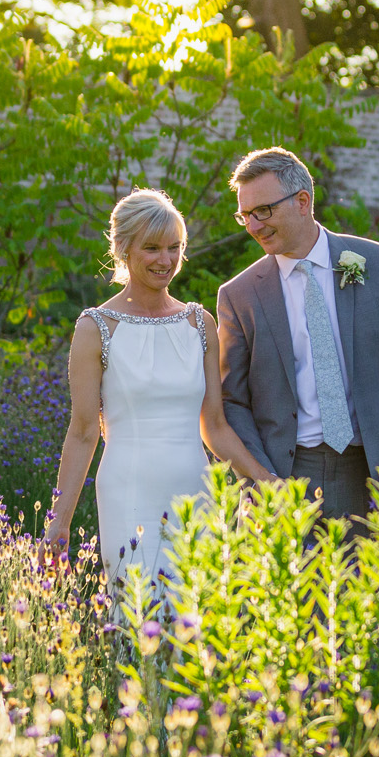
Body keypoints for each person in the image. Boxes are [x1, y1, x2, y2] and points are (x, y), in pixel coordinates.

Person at [44, 189, 277, 595]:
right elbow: (83, 431)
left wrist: (262, 479)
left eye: (174, 248)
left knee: (192, 624)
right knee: (137, 617)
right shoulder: (94, 328)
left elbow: (215, 426)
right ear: (123, 249)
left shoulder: (199, 323)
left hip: (194, 491)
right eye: (151, 248)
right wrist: (58, 521)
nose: (165, 260)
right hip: (127, 491)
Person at [215, 147, 379, 541]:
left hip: (373, 474)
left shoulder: (374, 263)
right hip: (285, 481)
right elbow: (231, 401)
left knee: (373, 600)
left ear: (303, 201)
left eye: (264, 211)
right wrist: (261, 478)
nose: (254, 226)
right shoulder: (238, 295)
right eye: (245, 215)